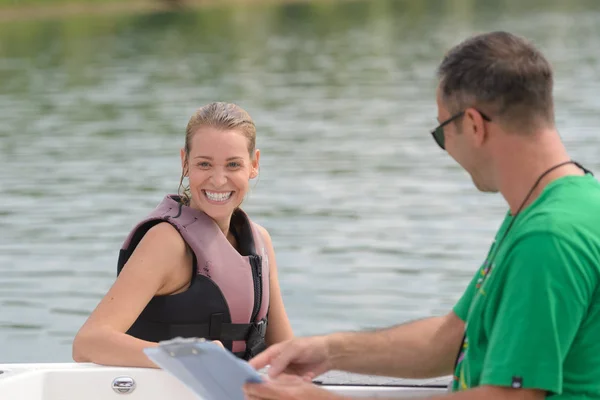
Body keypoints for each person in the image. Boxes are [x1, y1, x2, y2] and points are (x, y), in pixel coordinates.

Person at [243, 31, 600, 400]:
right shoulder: (566, 204)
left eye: (442, 132)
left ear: (475, 125)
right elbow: (452, 339)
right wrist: (330, 350)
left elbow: (510, 397)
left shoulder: (548, 237)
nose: (445, 149)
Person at [72, 102, 294, 368]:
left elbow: (285, 351)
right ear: (185, 163)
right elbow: (88, 342)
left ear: (254, 164)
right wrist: (186, 356)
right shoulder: (166, 242)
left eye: (233, 164)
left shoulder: (260, 242)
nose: (219, 180)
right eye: (205, 164)